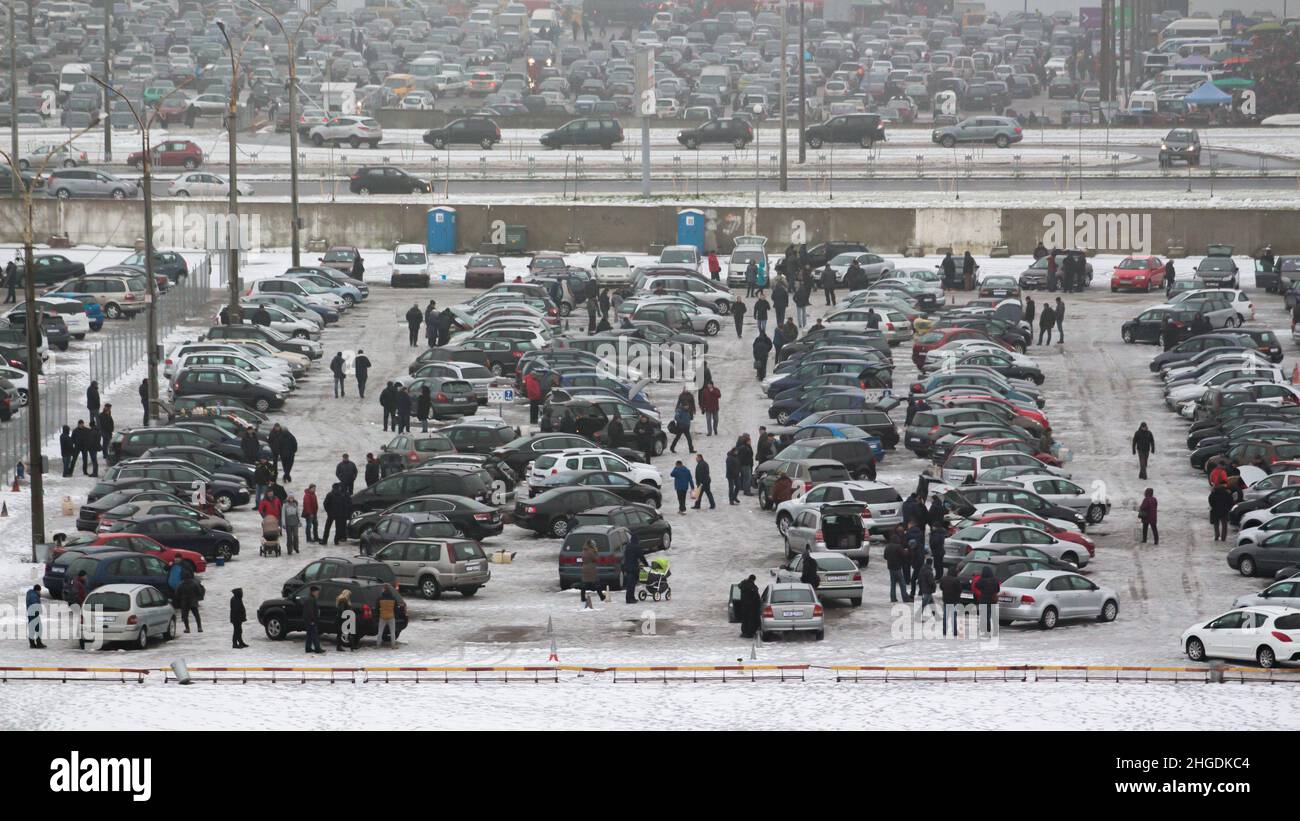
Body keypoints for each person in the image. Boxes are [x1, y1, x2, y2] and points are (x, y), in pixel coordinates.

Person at [884, 534, 911, 603]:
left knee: (893, 584)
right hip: (897, 567)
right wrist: (907, 551)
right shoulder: (898, 547)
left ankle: (893, 598)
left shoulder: (887, 546)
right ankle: (905, 598)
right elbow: (904, 554)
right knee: (902, 584)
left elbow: (885, 557)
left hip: (890, 567)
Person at [974, 566, 1000, 634]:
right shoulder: (995, 580)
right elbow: (997, 589)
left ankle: (986, 629)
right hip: (992, 600)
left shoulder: (982, 580)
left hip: (984, 599)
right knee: (989, 614)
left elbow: (976, 585)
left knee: (984, 615)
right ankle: (989, 628)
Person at [670, 388, 696, 453]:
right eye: (686, 406)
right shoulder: (680, 411)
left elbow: (688, 418)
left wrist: (688, 423)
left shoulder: (688, 411)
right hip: (681, 427)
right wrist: (681, 423)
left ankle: (691, 449)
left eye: (688, 406)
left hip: (686, 427)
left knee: (689, 439)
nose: (687, 407)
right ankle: (672, 448)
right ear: (683, 406)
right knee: (677, 438)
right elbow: (676, 418)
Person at [939, 565, 962, 637]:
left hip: (946, 599)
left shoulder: (943, 579)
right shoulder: (956, 580)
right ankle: (954, 632)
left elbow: (941, 587)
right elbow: (959, 590)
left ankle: (944, 631)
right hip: (954, 600)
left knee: (945, 616)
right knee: (953, 616)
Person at [622, 531, 644, 604]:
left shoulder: (628, 546)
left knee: (630, 584)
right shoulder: (637, 547)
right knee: (631, 584)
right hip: (633, 568)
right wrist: (646, 564)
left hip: (627, 567)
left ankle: (631, 598)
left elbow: (625, 556)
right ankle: (630, 599)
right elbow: (641, 557)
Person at [580, 540, 604, 608]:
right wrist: (596, 552)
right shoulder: (591, 552)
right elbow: (597, 559)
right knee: (596, 582)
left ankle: (582, 597)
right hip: (591, 568)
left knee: (584, 583)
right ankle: (601, 596)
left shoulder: (583, 551)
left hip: (584, 567)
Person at [303, 586, 324, 654]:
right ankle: (317, 649)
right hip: (311, 620)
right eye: (317, 591)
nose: (318, 593)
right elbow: (310, 611)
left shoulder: (311, 598)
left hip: (309, 620)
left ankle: (308, 648)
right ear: (313, 592)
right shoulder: (311, 599)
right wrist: (312, 620)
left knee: (309, 634)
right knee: (314, 634)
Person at [26, 584, 45, 649]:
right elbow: (35, 603)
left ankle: (32, 644)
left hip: (30, 613)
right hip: (34, 614)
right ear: (37, 590)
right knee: (39, 629)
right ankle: (39, 643)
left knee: (32, 628)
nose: (40, 592)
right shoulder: (34, 595)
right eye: (39, 591)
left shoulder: (30, 593)